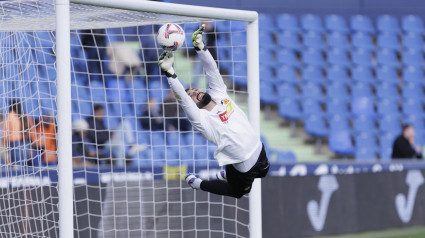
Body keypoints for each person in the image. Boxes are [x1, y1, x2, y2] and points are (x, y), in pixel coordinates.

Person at [158, 24, 269, 199]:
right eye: (192, 96)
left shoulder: (219, 94)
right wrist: (170, 72)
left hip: (258, 149)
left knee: (263, 173)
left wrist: (200, 47)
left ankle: (227, 173)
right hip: (244, 165)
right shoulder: (202, 120)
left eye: (194, 89)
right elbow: (182, 98)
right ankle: (198, 184)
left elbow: (211, 70)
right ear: (193, 105)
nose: (195, 92)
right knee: (237, 192)